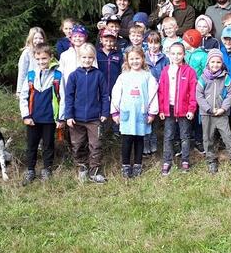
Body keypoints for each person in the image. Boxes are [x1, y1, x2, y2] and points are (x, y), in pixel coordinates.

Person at [19, 44, 65, 184]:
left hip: (50, 118)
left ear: (50, 57)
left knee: (48, 145)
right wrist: (26, 115)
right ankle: (30, 169)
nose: (41, 62)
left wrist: (61, 117)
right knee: (31, 145)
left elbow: (62, 97)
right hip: (33, 118)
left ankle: (47, 168)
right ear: (35, 58)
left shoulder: (57, 75)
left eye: (44, 58)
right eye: (38, 59)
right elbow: (24, 97)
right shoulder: (31, 75)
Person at [64, 43, 110, 184]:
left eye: (90, 57)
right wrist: (69, 115)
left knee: (95, 144)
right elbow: (69, 97)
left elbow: (104, 95)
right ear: (79, 58)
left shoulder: (98, 75)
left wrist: (104, 112)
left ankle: (95, 172)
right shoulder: (73, 76)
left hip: (94, 118)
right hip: (76, 118)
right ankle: (82, 167)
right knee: (77, 144)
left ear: (93, 58)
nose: (87, 60)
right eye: (84, 57)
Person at [111, 47, 159, 178]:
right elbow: (116, 94)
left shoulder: (148, 76)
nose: (135, 61)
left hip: (141, 115)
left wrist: (152, 113)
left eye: (137, 58)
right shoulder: (123, 77)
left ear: (143, 59)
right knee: (127, 140)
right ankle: (126, 165)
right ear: (127, 60)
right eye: (131, 59)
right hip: (127, 114)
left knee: (139, 140)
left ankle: (138, 164)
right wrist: (115, 112)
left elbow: (153, 95)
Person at [196, 49, 231, 175]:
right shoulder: (203, 78)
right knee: (208, 138)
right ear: (208, 63)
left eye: (218, 62)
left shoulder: (226, 77)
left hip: (221, 114)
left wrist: (223, 108)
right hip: (207, 114)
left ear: (222, 63)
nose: (215, 65)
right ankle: (211, 160)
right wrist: (209, 109)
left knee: (228, 137)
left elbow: (229, 94)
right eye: (212, 62)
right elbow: (199, 95)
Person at [158, 42, 198, 175]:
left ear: (184, 54)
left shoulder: (190, 71)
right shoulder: (165, 70)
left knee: (185, 136)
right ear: (169, 54)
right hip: (168, 108)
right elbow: (161, 91)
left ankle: (185, 160)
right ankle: (167, 161)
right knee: (168, 136)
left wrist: (191, 109)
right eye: (173, 53)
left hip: (184, 109)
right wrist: (161, 109)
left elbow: (193, 92)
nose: (176, 56)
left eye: (179, 53)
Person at [143, 31, 169, 155]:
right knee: (146, 119)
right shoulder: (143, 57)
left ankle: (153, 142)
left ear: (160, 44)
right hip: (147, 93)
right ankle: (145, 143)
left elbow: (168, 74)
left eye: (156, 43)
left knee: (155, 119)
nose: (153, 46)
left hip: (160, 93)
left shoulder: (164, 58)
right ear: (147, 44)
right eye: (150, 43)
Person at [183, 28, 207, 154]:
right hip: (184, 90)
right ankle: (188, 137)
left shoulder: (202, 56)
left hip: (197, 90)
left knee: (198, 116)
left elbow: (205, 72)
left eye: (185, 39)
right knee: (187, 114)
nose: (182, 41)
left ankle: (199, 139)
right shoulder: (184, 54)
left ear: (191, 42)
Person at [16, 27, 46, 99]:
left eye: (40, 38)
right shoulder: (27, 53)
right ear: (31, 39)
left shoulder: (45, 52)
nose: (38, 41)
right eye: (35, 38)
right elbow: (22, 72)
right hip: (29, 86)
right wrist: (19, 90)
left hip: (42, 87)